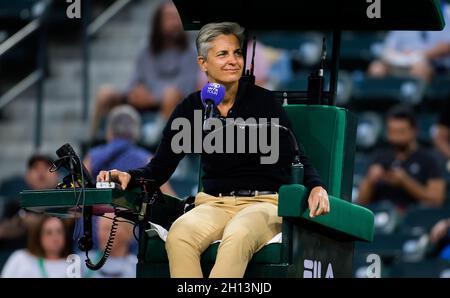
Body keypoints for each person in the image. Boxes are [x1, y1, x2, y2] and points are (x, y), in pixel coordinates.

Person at [97, 22, 329, 278]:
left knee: (238, 234)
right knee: (179, 236)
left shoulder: (263, 102)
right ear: (202, 63)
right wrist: (131, 175)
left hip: (263, 203)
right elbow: (159, 169)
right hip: (213, 203)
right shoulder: (192, 109)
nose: (233, 60)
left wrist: (316, 186)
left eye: (237, 53)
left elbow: (297, 155)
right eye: (223, 54)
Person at [90, 1, 198, 139]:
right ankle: (95, 140)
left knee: (171, 95)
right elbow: (133, 83)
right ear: (158, 22)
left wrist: (153, 98)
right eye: (170, 17)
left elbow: (186, 88)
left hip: (169, 105)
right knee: (105, 93)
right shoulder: (145, 51)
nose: (175, 23)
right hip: (142, 102)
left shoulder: (191, 53)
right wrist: (134, 94)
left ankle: (154, 140)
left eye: (178, 18)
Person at [357, 105, 446, 210]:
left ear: (414, 130)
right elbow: (360, 202)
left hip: (413, 219)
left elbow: (436, 200)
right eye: (392, 132)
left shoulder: (429, 159)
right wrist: (370, 180)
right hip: (380, 217)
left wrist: (405, 182)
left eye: (401, 132)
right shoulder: (379, 158)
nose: (396, 138)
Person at [367, 3, 450, 82]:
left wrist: (419, 55)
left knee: (419, 69)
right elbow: (389, 47)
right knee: (377, 68)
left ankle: (414, 95)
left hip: (433, 63)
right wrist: (402, 55)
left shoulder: (446, 12)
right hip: (402, 61)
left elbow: (446, 46)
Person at [1, 216, 73, 278]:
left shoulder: (72, 265)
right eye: (49, 232)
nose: (55, 237)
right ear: (38, 237)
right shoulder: (21, 257)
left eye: (59, 231)